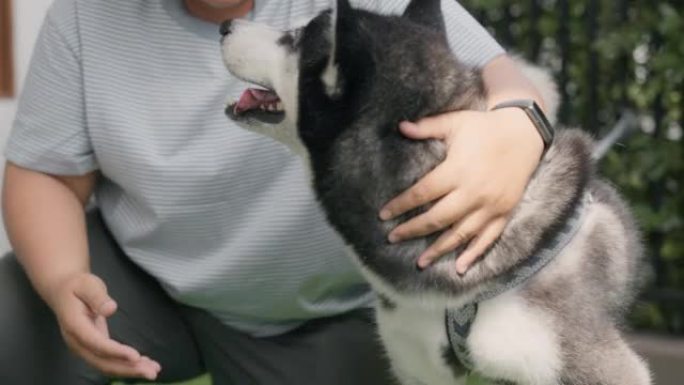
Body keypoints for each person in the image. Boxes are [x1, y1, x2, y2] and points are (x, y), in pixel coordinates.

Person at [0, 0, 547, 384]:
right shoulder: (84, 16)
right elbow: (45, 172)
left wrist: (515, 133)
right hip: (149, 286)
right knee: (11, 312)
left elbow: (505, 81)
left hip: (323, 312)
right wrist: (64, 279)